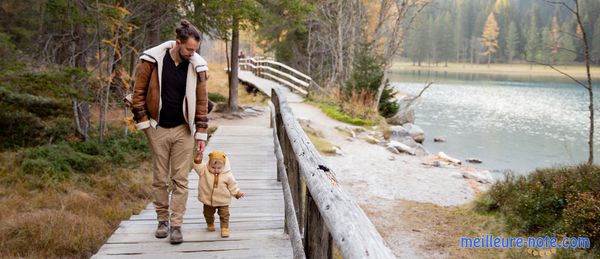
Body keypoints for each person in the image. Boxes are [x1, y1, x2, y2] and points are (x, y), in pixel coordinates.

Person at [131, 20, 209, 245]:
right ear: (178, 43)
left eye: (195, 50)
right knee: (159, 179)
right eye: (189, 49)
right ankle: (162, 221)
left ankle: (176, 225)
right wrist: (145, 126)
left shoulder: (197, 66)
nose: (192, 54)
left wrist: (201, 134)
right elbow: (138, 95)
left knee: (181, 180)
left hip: (184, 130)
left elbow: (202, 103)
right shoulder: (152, 61)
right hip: (157, 128)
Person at [192, 150, 245, 238]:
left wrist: (237, 193)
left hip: (223, 200)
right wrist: (197, 160)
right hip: (208, 200)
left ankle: (224, 228)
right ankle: (210, 223)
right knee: (207, 213)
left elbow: (232, 185)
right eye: (213, 167)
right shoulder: (204, 170)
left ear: (224, 166)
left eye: (219, 168)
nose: (216, 170)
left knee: (224, 215)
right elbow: (197, 167)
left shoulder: (227, 175)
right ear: (209, 164)